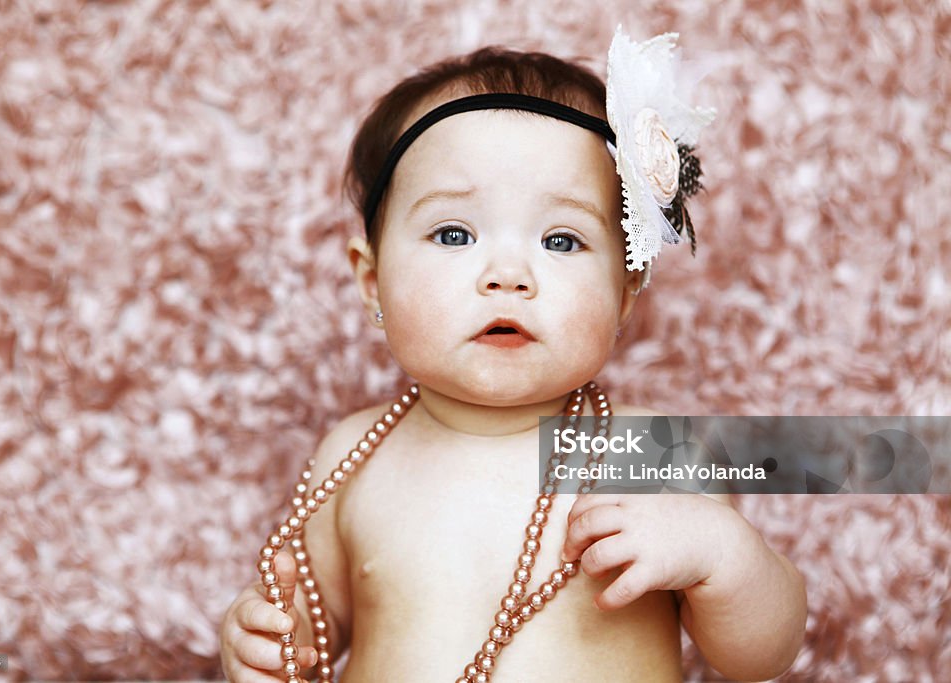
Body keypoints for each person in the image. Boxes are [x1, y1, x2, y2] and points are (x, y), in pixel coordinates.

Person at [220, 27, 807, 683]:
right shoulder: (354, 456)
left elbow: (764, 655)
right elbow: (306, 623)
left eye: (561, 240)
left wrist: (723, 555)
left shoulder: (652, 451)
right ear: (370, 280)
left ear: (625, 293)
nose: (507, 273)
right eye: (453, 232)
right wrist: (266, 642)